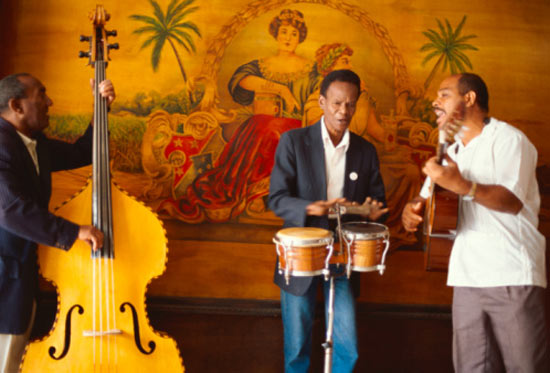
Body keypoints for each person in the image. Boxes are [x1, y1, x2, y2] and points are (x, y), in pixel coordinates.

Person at [401, 73, 549, 372]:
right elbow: (425, 201)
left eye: (444, 95)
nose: (435, 102)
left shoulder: (510, 140)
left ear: (469, 99)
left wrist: (464, 186)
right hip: (466, 277)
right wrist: (411, 211)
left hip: (511, 273)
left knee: (525, 367)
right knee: (471, 368)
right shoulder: (450, 152)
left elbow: (511, 200)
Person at [268, 69, 388, 372]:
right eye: (336, 103)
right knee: (296, 347)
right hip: (300, 254)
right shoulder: (293, 142)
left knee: (347, 347)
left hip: (345, 255)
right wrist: (313, 207)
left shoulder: (366, 151)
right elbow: (277, 199)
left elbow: (376, 201)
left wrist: (372, 211)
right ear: (322, 101)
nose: (342, 111)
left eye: (350, 104)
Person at [0, 73, 115, 373]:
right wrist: (74, 231)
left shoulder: (32, 143)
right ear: (17, 105)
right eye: (41, 94)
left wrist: (100, 107)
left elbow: (82, 151)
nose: (49, 102)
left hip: (19, 279)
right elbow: (10, 209)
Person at [158, 9, 319, 223]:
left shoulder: (310, 69)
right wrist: (280, 89)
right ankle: (254, 195)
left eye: (293, 34)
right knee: (261, 128)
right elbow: (241, 80)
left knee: (275, 134)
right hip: (261, 124)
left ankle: (264, 195)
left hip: (295, 125)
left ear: (300, 38)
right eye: (284, 32)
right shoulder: (260, 64)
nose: (288, 38)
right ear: (276, 34)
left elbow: (321, 94)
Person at [304, 42, 421, 247]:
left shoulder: (362, 100)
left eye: (350, 105)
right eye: (343, 61)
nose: (345, 110)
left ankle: (397, 232)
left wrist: (393, 138)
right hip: (311, 239)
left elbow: (374, 129)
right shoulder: (315, 102)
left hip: (359, 161)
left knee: (411, 172)